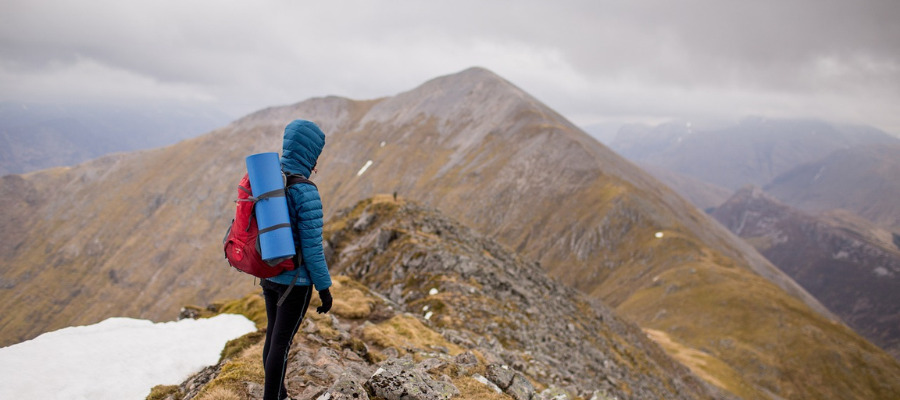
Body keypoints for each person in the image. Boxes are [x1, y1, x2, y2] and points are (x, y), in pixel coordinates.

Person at [261, 119, 333, 400]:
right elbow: (313, 248)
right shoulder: (305, 191)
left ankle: (278, 393)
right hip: (296, 282)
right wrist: (324, 288)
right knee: (282, 343)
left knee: (272, 339)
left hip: (269, 275)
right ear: (310, 154)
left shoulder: (269, 181)